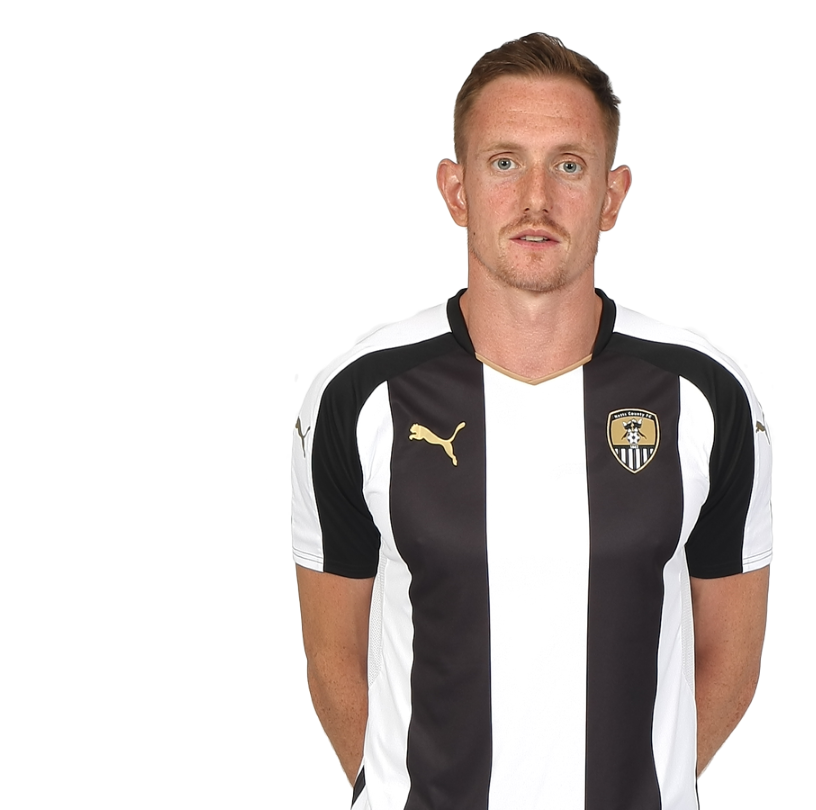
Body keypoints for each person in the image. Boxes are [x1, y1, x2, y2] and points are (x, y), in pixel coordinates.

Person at [292, 32, 772, 810]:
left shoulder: (705, 395)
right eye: (505, 162)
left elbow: (732, 661)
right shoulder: (359, 396)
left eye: (570, 166)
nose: (536, 199)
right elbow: (332, 659)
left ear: (612, 196)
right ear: (457, 190)